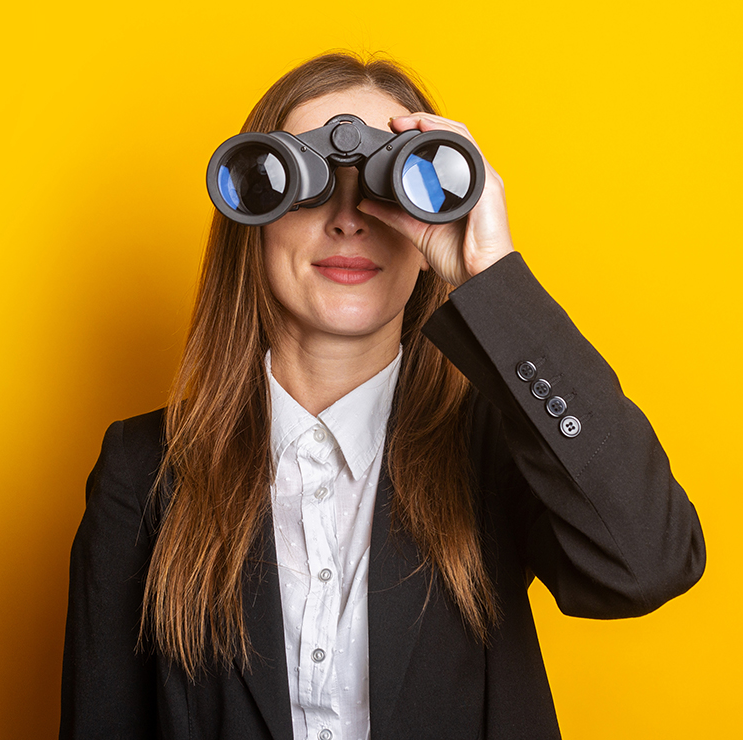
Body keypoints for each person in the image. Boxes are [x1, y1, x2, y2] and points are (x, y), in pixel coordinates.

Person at [60, 52, 705, 740]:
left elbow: (647, 565)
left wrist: (491, 278)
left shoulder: (491, 449)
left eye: (387, 185)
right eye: (305, 186)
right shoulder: (146, 470)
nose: (349, 218)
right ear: (253, 204)